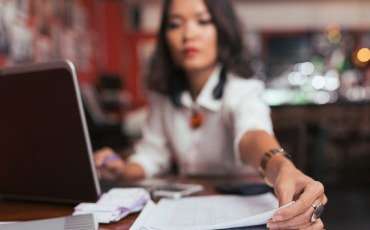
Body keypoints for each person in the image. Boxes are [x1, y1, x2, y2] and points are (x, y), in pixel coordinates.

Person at [94, 0, 327, 229]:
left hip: (245, 204)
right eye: (175, 24)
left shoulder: (242, 89)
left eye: (203, 21)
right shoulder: (163, 97)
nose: (188, 34)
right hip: (188, 206)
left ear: (223, 30)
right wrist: (120, 170)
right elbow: (151, 155)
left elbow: (252, 135)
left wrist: (283, 168)